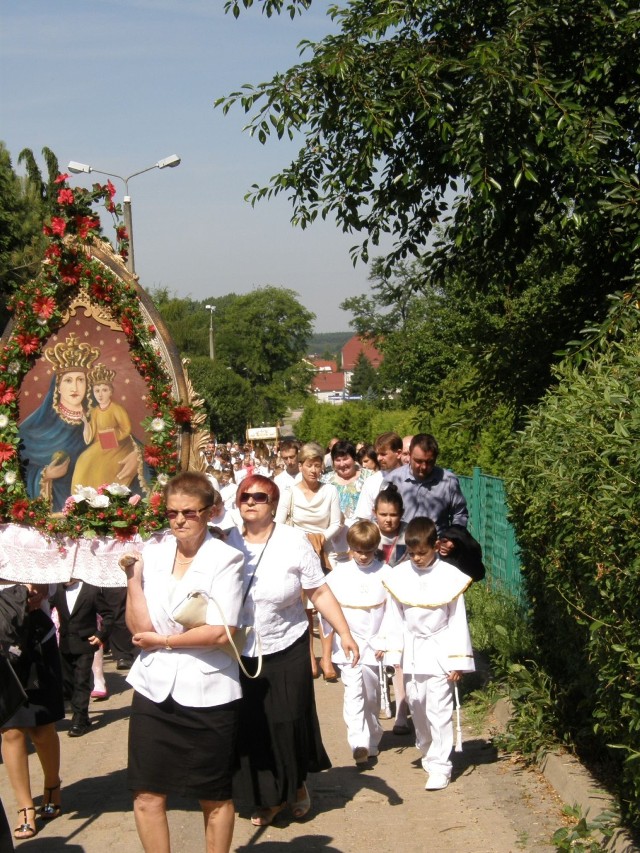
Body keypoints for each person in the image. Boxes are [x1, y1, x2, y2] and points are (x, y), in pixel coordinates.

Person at [122, 471, 244, 853]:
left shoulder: (227, 558)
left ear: (209, 513)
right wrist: (132, 579)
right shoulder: (154, 554)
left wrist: (166, 640)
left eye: (189, 513)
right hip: (154, 689)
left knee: (214, 796)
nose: (178, 520)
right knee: (146, 795)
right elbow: (139, 629)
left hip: (208, 692)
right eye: (172, 512)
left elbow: (220, 632)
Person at [234, 474, 359, 827]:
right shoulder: (228, 542)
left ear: (273, 505)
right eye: (245, 496)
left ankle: (297, 784)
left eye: (259, 496)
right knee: (252, 722)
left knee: (287, 720)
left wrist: (344, 632)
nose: (251, 501)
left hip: (286, 644)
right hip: (240, 651)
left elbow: (317, 591)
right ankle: (269, 795)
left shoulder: (293, 541)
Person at [381, 517, 475, 791]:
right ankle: (427, 747)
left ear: (435, 546)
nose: (417, 559)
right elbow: (394, 617)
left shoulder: (450, 578)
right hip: (412, 649)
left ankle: (440, 765)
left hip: (440, 648)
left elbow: (458, 620)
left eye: (422, 553)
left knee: (439, 708)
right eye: (412, 554)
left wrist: (458, 660)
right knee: (418, 705)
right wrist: (392, 652)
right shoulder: (398, 577)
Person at [319, 521, 390, 765]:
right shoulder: (338, 574)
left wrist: (385, 640)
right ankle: (357, 741)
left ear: (375, 549)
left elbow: (393, 612)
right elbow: (326, 609)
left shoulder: (385, 573)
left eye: (367, 551)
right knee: (353, 692)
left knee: (371, 696)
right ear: (350, 548)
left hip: (374, 643)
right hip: (348, 642)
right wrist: (329, 650)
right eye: (357, 550)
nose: (362, 556)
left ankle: (372, 738)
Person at [0, 582, 64, 841]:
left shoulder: (37, 540)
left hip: (37, 637)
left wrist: (41, 587)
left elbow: (54, 570)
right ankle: (25, 806)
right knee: (10, 729)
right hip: (2, 638)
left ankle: (52, 784)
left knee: (41, 728)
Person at [274, 442, 341, 680]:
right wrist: (303, 539)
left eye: (318, 465)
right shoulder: (289, 492)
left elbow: (336, 523)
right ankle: (310, 659)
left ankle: (328, 659)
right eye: (309, 465)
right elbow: (279, 523)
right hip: (297, 552)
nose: (314, 470)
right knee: (304, 609)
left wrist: (321, 537)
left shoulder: (330, 491)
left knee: (326, 607)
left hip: (325, 553)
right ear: (300, 466)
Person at [320, 440, 374, 677]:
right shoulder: (326, 481)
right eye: (337, 459)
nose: (342, 464)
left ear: (354, 458)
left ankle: (369, 650)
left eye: (346, 458)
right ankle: (329, 658)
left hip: (364, 545)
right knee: (331, 600)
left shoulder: (369, 478)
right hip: (334, 545)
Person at [49, 580, 116, 737]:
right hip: (65, 644)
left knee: (81, 681)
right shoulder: (57, 590)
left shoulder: (91, 590)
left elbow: (108, 615)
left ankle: (79, 719)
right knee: (68, 682)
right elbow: (47, 609)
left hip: (85, 644)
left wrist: (101, 635)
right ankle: (83, 716)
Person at [372, 484, 410, 735]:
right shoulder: (368, 533)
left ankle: (402, 713)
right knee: (374, 655)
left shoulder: (409, 535)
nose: (388, 519)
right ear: (375, 513)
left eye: (393, 514)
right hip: (373, 603)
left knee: (398, 658)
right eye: (383, 514)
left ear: (401, 514)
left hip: (400, 602)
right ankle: (378, 702)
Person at [71, 364, 140, 491]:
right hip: (100, 445)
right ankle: (81, 499)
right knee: (83, 459)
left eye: (104, 390)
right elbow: (90, 435)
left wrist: (112, 435)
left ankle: (103, 495)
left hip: (118, 446)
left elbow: (126, 429)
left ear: (111, 391)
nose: (100, 394)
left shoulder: (116, 409)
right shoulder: (94, 411)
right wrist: (85, 422)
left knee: (101, 464)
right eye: (97, 391)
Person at [384, 434, 468, 533]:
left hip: (437, 545)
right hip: (402, 545)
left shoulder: (448, 481)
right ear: (409, 455)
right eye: (418, 461)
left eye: (429, 462)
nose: (424, 467)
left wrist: (451, 539)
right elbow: (380, 514)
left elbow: (460, 514)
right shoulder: (394, 480)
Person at [355, 432, 404, 521]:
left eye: (383, 454)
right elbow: (364, 518)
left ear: (398, 453)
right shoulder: (371, 482)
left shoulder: (411, 480)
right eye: (377, 454)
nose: (378, 458)